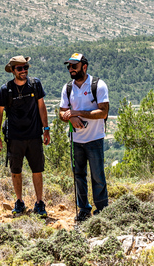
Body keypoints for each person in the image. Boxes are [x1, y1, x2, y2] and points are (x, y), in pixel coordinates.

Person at [0, 55, 51, 218]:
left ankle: (40, 202)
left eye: (25, 67)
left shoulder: (35, 84)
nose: (23, 71)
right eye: (19, 68)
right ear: (12, 70)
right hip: (14, 137)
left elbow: (42, 106)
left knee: (37, 170)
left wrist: (46, 128)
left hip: (34, 135)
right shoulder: (6, 89)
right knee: (16, 171)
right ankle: (19, 201)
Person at [58, 53, 109, 222]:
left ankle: (102, 210)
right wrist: (70, 117)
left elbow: (103, 112)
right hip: (76, 140)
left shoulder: (98, 85)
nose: (71, 70)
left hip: (95, 138)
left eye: (74, 66)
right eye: (69, 67)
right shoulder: (67, 88)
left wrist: (78, 113)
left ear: (84, 67)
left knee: (97, 176)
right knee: (78, 176)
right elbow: (61, 112)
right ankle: (84, 209)